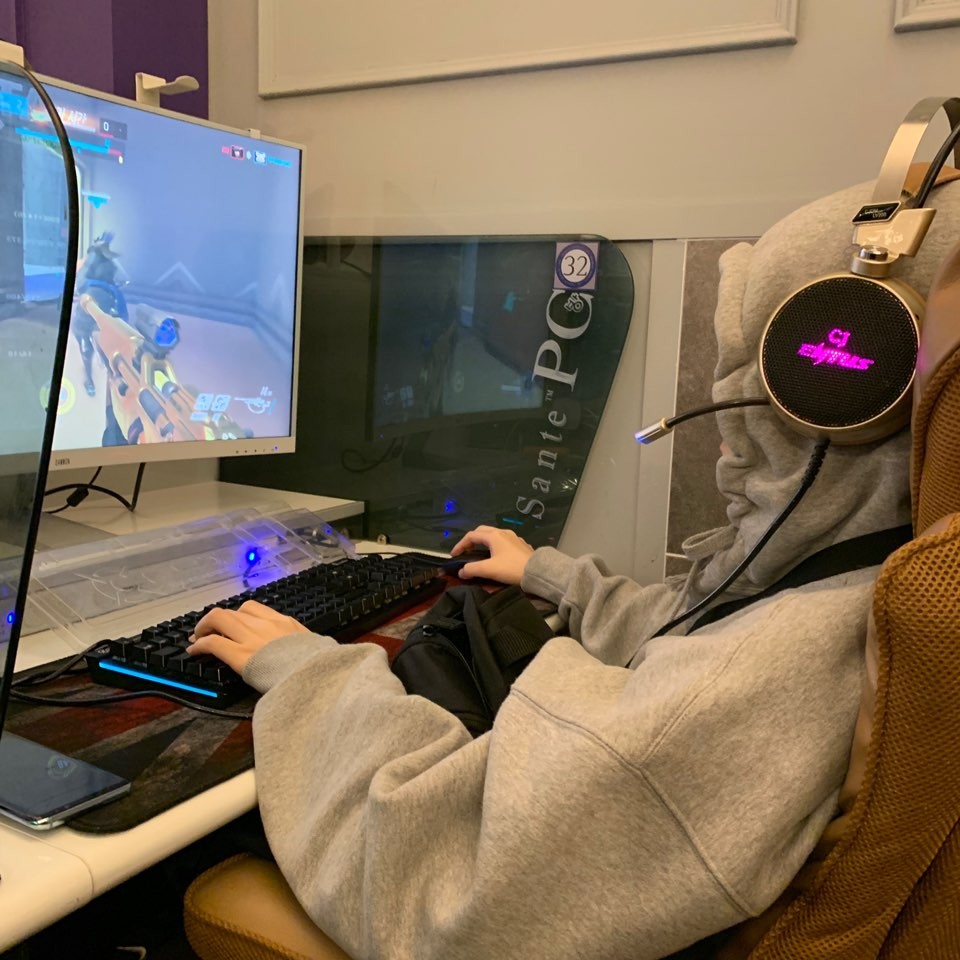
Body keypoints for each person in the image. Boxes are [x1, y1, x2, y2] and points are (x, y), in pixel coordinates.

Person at [187, 173, 960, 960]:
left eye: (749, 385)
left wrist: (311, 674)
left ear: (845, 395)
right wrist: (556, 579)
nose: (727, 430)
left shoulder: (768, 679)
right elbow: (713, 622)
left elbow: (439, 884)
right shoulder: (863, 580)